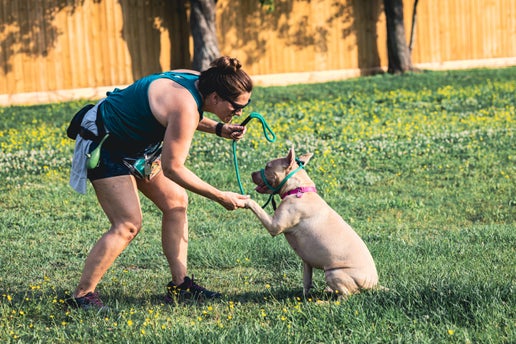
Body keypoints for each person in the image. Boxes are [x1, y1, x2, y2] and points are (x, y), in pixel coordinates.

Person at [67, 56, 252, 309]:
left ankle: (181, 286)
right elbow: (173, 168)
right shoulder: (186, 105)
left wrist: (219, 128)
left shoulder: (198, 81)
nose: (240, 112)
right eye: (236, 106)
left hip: (137, 145)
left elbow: (176, 116)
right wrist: (221, 196)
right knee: (128, 224)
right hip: (106, 143)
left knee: (175, 202)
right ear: (216, 97)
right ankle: (82, 296)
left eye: (245, 104)